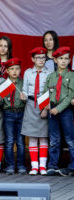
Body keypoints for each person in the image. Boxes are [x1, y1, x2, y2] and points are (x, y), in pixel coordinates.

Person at [43, 47, 74, 176]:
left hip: (65, 110)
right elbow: (46, 93)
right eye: (60, 58)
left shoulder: (71, 75)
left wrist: (58, 108)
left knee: (70, 139)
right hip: (52, 110)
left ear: (69, 60)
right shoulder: (51, 76)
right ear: (55, 60)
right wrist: (46, 106)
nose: (63, 61)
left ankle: (72, 166)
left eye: (66, 58)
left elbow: (70, 95)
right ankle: (52, 165)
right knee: (54, 139)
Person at [21, 47, 52, 175]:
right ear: (32, 59)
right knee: (33, 136)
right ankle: (34, 166)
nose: (41, 60)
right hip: (30, 104)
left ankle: (43, 166)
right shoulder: (28, 72)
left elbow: (51, 91)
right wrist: (23, 95)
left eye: (43, 57)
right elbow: (24, 88)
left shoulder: (50, 73)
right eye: (38, 58)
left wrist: (46, 108)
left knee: (43, 137)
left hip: (44, 104)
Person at [0, 58, 26, 175]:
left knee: (20, 141)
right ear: (7, 71)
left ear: (20, 70)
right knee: (9, 140)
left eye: (17, 69)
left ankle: (21, 165)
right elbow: (0, 103)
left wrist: (24, 99)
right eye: (11, 69)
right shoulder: (4, 84)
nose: (14, 71)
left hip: (21, 113)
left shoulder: (23, 83)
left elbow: (29, 100)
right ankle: (10, 165)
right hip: (8, 113)